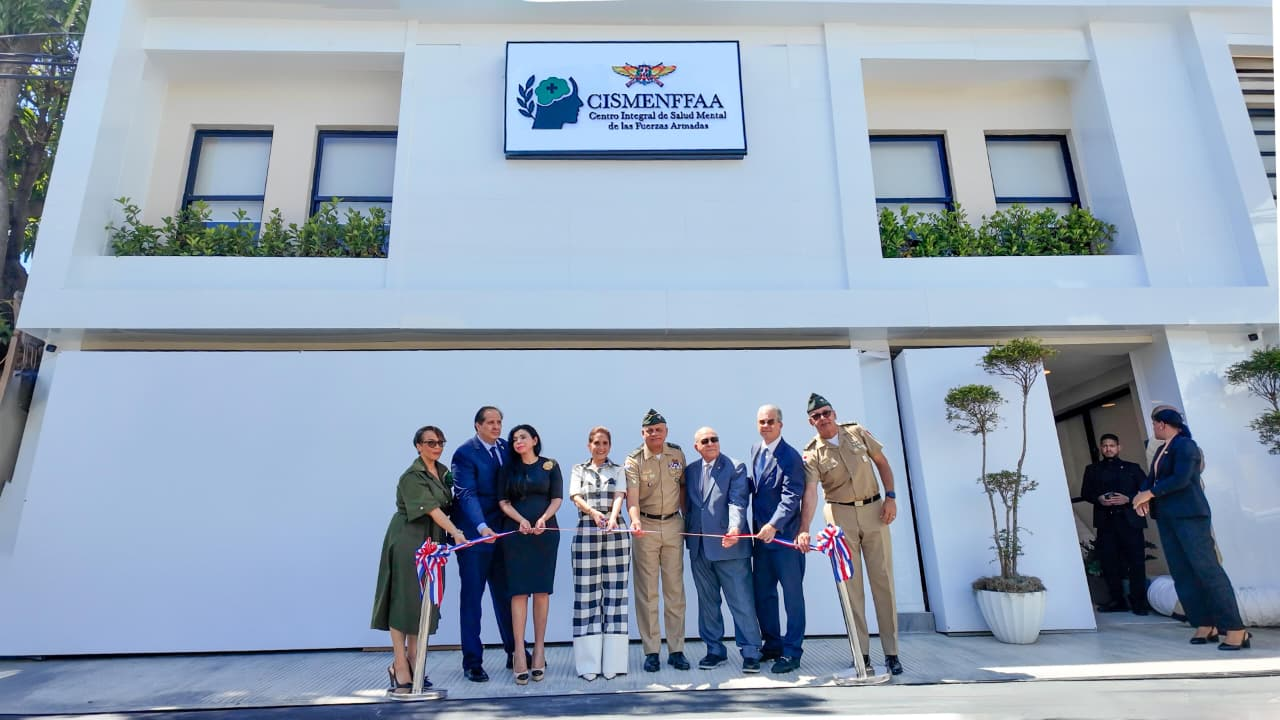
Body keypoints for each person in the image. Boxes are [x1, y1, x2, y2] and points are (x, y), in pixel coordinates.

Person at [800, 393, 904, 676]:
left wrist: (891, 497)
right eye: (817, 416)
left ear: (834, 413)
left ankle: (892, 653)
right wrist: (804, 528)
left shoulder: (856, 433)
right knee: (851, 588)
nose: (823, 418)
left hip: (874, 511)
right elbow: (810, 492)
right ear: (811, 422)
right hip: (840, 516)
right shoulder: (812, 453)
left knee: (883, 582)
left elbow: (882, 462)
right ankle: (861, 654)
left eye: (826, 412)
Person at [1133, 409, 1249, 650]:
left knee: (1207, 569)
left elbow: (1181, 479)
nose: (1153, 428)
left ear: (1163, 424)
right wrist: (1142, 495)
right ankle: (1204, 623)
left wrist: (1150, 493)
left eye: (1154, 424)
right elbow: (1151, 478)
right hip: (1167, 517)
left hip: (1190, 516)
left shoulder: (1186, 446)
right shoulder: (1161, 450)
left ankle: (1235, 628)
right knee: (1182, 572)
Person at [372, 426, 468, 693]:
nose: (437, 447)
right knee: (403, 600)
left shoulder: (443, 472)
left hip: (432, 541)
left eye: (440, 442)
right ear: (418, 446)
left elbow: (451, 504)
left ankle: (415, 659)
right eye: (430, 442)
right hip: (409, 540)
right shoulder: (411, 477)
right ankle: (399, 663)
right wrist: (456, 532)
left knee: (423, 601)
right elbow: (434, 510)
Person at [684, 426, 764, 673]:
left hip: (730, 547)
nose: (710, 443)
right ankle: (714, 650)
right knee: (708, 603)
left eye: (714, 439)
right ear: (696, 447)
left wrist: (734, 528)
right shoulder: (691, 471)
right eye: (705, 441)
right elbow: (689, 505)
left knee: (741, 601)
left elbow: (737, 501)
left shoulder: (735, 467)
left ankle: (751, 651)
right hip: (699, 549)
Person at [450, 406, 519, 682]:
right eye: (490, 422)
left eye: (499, 422)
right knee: (472, 599)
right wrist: (481, 527)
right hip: (475, 536)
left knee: (506, 595)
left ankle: (515, 652)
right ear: (477, 425)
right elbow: (466, 494)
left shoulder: (506, 448)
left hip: (502, 534)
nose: (496, 427)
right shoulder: (465, 453)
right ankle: (472, 662)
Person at [496, 424, 563, 684]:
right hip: (517, 535)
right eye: (514, 439)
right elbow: (503, 502)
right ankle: (519, 653)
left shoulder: (550, 465)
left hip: (545, 535)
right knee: (519, 592)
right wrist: (521, 520)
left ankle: (539, 650)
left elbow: (556, 498)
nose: (518, 442)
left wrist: (544, 518)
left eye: (523, 437)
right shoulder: (508, 469)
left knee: (542, 592)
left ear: (535, 440)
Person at [625, 408, 690, 672]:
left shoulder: (677, 454)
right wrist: (635, 521)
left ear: (666, 431)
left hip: (673, 524)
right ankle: (651, 651)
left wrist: (686, 517)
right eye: (649, 430)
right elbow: (632, 497)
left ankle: (677, 650)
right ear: (643, 433)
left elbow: (683, 487)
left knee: (675, 591)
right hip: (647, 527)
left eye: (658, 429)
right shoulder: (634, 460)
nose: (654, 434)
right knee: (647, 592)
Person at [747, 404, 808, 674]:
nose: (766, 425)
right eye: (762, 421)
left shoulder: (791, 457)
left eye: (771, 421)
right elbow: (758, 489)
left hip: (785, 540)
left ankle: (792, 652)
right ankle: (772, 644)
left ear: (780, 425)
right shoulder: (755, 450)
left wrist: (773, 525)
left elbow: (792, 497)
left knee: (792, 597)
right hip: (761, 541)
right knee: (764, 595)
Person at [568, 426, 630, 681]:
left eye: (605, 443)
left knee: (616, 594)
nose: (601, 447)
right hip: (586, 531)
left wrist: (613, 517)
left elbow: (619, 496)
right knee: (587, 595)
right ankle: (588, 664)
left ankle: (613, 662)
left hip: (615, 532)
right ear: (589, 445)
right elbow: (575, 496)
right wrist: (593, 513)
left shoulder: (618, 470)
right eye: (596, 443)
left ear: (610, 446)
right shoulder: (579, 469)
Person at [1080, 434, 1150, 615]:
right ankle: (1117, 600)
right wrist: (1099, 499)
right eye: (1105, 446)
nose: (1108, 449)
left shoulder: (1132, 468)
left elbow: (1146, 490)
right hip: (1106, 522)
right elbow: (1085, 493)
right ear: (1100, 448)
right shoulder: (1092, 470)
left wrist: (1129, 498)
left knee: (1136, 562)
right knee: (1109, 562)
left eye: (1112, 445)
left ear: (1119, 447)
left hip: (1130, 521)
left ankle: (1139, 602)